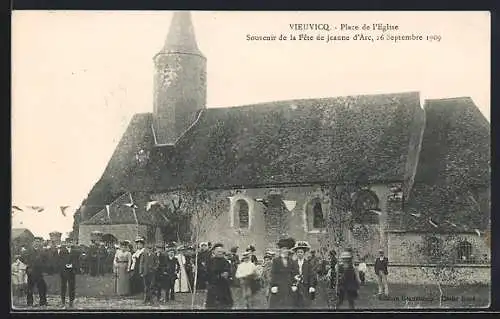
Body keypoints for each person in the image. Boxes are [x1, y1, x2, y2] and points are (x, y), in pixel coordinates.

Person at [269, 238, 299, 309]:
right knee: (277, 306)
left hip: (289, 286)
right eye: (283, 249)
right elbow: (273, 274)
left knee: (290, 305)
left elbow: (295, 274)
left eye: (287, 249)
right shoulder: (276, 261)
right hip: (279, 286)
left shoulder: (291, 261)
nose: (285, 251)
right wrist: (274, 285)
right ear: (280, 250)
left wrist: (294, 284)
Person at [205, 243, 233, 309]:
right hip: (213, 287)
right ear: (214, 252)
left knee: (225, 305)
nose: (220, 253)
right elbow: (207, 274)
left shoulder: (226, 261)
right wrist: (219, 275)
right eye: (218, 251)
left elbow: (229, 272)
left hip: (224, 287)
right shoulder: (210, 261)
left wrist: (227, 274)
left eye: (221, 252)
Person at [290, 241, 317, 309]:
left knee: (305, 305)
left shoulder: (308, 264)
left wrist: (311, 286)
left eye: (301, 252)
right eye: (298, 252)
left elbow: (311, 275)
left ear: (304, 253)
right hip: (295, 287)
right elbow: (290, 275)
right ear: (296, 253)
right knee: (295, 305)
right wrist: (293, 282)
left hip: (305, 287)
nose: (300, 254)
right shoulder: (293, 263)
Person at [23, 237, 48, 307]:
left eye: (38, 241)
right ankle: (30, 302)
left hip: (39, 272)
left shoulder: (42, 251)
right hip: (31, 272)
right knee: (30, 287)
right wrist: (28, 266)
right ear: (33, 242)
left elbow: (45, 260)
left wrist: (43, 267)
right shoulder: (28, 251)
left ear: (40, 243)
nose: (37, 243)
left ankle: (43, 302)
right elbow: (24, 259)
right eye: (36, 241)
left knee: (42, 287)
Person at [56, 239, 80, 308]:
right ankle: (63, 302)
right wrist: (65, 265)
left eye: (70, 242)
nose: (69, 244)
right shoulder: (62, 251)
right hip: (64, 271)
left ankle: (71, 302)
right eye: (67, 242)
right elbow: (60, 261)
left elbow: (77, 261)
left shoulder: (75, 251)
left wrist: (72, 265)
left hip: (72, 272)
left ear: (72, 243)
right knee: (63, 286)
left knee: (72, 287)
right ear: (65, 243)